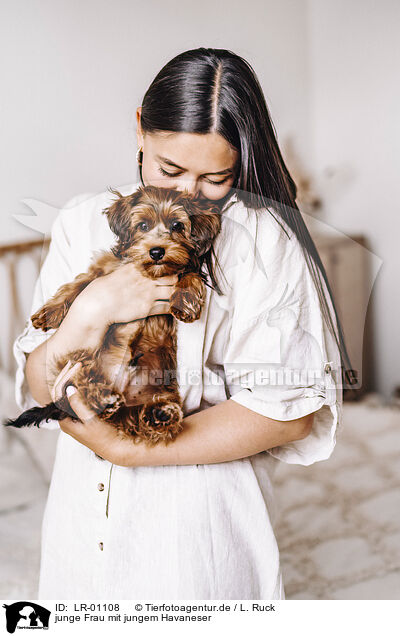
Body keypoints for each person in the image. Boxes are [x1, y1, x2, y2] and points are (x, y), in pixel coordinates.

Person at [13, 48, 352, 600]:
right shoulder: (80, 221)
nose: (186, 196)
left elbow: (288, 416)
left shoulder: (267, 243)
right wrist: (95, 305)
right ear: (142, 128)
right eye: (169, 170)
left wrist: (131, 451)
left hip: (195, 542)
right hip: (78, 533)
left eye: (214, 178)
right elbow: (37, 381)